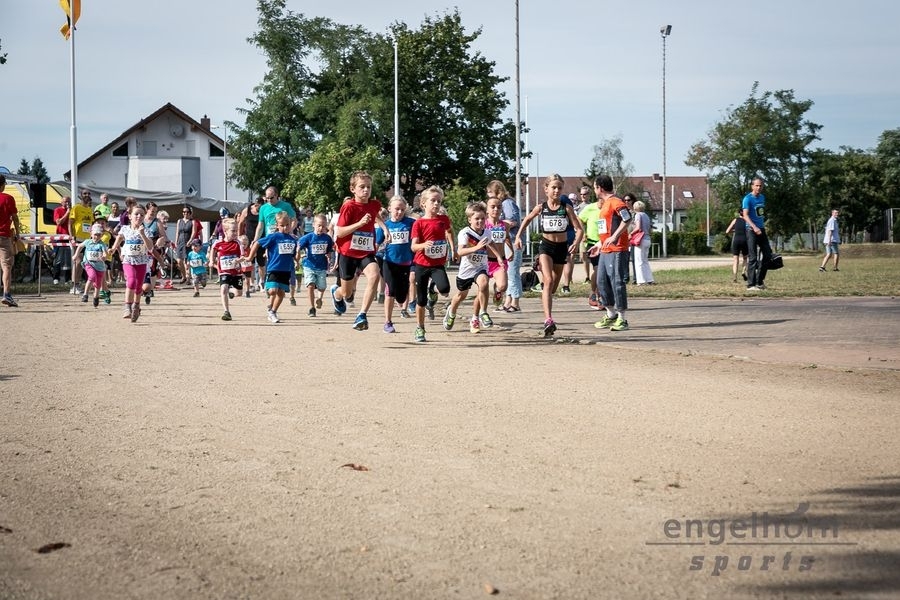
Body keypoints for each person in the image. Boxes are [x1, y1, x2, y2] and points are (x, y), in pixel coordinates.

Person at [514, 174, 584, 337]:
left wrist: (576, 242)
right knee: (549, 280)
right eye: (553, 187)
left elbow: (579, 229)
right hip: (546, 247)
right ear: (546, 189)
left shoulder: (566, 208)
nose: (556, 190)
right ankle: (548, 320)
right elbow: (527, 219)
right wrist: (518, 236)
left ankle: (546, 297)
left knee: (552, 288)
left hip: (561, 249)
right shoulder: (541, 207)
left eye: (559, 188)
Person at [329, 171, 386, 332]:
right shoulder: (348, 206)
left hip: (366, 252)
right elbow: (339, 232)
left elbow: (376, 216)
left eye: (368, 187)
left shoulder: (374, 204)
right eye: (362, 187)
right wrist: (359, 224)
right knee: (347, 293)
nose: (366, 190)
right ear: (353, 189)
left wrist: (384, 228)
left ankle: (362, 315)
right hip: (347, 253)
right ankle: (337, 294)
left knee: (375, 275)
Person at [410, 185, 454, 343]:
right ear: (423, 203)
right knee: (420, 301)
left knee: (445, 289)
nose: (436, 204)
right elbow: (413, 246)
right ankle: (420, 328)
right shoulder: (419, 224)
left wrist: (452, 248)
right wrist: (423, 245)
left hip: (437, 264)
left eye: (439, 201)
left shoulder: (443, 220)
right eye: (433, 201)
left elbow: (449, 231)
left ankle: (432, 291)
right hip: (421, 264)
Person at [443, 202, 495, 334]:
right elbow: (460, 252)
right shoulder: (465, 233)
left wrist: (499, 257)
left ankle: (481, 314)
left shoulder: (487, 233)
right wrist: (477, 248)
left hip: (481, 267)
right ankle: (451, 312)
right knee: (461, 295)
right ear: (469, 219)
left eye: (483, 218)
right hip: (467, 269)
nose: (480, 221)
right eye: (477, 218)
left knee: (483, 284)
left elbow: (491, 244)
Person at [589, 175, 632, 332]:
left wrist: (615, 237)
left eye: (594, 187)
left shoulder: (616, 202)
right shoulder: (604, 205)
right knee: (601, 282)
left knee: (617, 282)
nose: (594, 190)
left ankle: (622, 318)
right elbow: (606, 229)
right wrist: (599, 244)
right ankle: (611, 314)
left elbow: (627, 218)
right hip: (605, 250)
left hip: (617, 249)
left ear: (600, 188)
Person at [246, 211, 298, 324]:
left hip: (286, 270)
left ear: (290, 224)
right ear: (277, 225)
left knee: (281, 293)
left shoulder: (293, 239)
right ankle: (268, 289)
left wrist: (297, 260)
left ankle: (273, 312)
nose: (285, 227)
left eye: (287, 225)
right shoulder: (273, 237)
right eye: (282, 225)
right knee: (273, 291)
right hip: (274, 268)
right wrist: (250, 257)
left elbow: (293, 254)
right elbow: (257, 243)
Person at [110, 204, 154, 323]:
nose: (139, 216)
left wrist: (142, 234)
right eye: (136, 214)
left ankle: (136, 306)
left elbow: (150, 247)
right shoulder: (125, 229)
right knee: (131, 281)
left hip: (142, 262)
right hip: (128, 261)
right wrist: (113, 249)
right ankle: (127, 307)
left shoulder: (147, 230)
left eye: (141, 215)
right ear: (130, 216)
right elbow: (119, 239)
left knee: (139, 286)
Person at [380, 196, 415, 333]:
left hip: (406, 264)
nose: (399, 212)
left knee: (401, 295)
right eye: (396, 209)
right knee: (390, 291)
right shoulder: (386, 225)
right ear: (389, 209)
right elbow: (377, 242)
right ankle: (388, 322)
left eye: (402, 209)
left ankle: (402, 304)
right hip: (389, 262)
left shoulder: (410, 223)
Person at [487, 180, 522, 313]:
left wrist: (500, 224)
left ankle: (515, 302)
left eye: (490, 192)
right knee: (507, 274)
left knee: (513, 272)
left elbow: (514, 221)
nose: (489, 195)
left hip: (512, 240)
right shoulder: (498, 205)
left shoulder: (507, 203)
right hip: (502, 242)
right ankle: (507, 301)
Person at [296, 214, 334, 318]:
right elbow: (299, 245)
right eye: (319, 226)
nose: (321, 228)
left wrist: (329, 255)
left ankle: (319, 299)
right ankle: (312, 308)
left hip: (321, 267)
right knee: (310, 285)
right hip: (309, 265)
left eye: (323, 226)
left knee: (322, 287)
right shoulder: (308, 237)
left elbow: (329, 250)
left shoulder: (327, 238)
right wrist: (298, 254)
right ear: (314, 225)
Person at [742, 177, 774, 291]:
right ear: (752, 186)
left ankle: (759, 282)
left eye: (760, 186)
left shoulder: (762, 197)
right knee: (753, 257)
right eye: (756, 185)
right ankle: (751, 285)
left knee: (767, 255)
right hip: (751, 230)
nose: (759, 188)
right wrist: (754, 227)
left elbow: (760, 214)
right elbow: (745, 215)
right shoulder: (747, 199)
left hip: (761, 229)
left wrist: (761, 226)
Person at [208, 218, 243, 321]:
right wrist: (211, 261)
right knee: (223, 288)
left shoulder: (238, 243)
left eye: (236, 230)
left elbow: (242, 255)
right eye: (233, 231)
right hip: (224, 271)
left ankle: (231, 291)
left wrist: (238, 261)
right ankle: (226, 312)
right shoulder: (218, 243)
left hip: (236, 272)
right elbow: (213, 251)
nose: (235, 233)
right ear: (225, 231)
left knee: (239, 293)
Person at [484, 196, 513, 311]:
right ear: (487, 210)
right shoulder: (484, 224)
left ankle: (497, 290)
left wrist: (511, 251)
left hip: (500, 260)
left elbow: (507, 238)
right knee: (483, 287)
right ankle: (482, 312)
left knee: (503, 286)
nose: (496, 209)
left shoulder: (505, 225)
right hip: (485, 261)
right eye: (493, 207)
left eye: (499, 207)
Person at [72, 224, 110, 307]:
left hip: (100, 267)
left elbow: (105, 253)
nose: (97, 237)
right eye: (95, 235)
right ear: (91, 234)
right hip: (89, 264)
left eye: (99, 235)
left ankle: (96, 297)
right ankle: (85, 295)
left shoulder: (101, 244)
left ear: (102, 235)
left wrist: (104, 256)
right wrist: (76, 255)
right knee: (92, 276)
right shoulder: (87, 242)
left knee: (98, 284)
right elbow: (80, 247)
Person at [577, 192, 602, 309]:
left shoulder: (609, 208)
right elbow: (579, 219)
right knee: (597, 269)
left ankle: (602, 295)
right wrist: (583, 232)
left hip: (606, 243)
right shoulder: (590, 208)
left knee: (606, 272)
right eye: (601, 201)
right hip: (592, 243)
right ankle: (593, 293)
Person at [0, 174, 22, 307]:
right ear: (3, 184)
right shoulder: (8, 198)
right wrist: (18, 233)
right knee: (6, 266)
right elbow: (15, 218)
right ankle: (7, 294)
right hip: (4, 236)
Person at [69, 190, 95, 294]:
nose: (87, 195)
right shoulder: (76, 208)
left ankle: (78, 283)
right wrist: (71, 236)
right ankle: (74, 285)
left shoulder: (89, 209)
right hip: (78, 237)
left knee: (84, 262)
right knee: (78, 261)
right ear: (81, 196)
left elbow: (91, 223)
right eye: (85, 194)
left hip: (88, 239)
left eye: (89, 193)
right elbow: (70, 223)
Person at [630, 200, 655, 285]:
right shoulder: (646, 216)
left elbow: (638, 228)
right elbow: (650, 229)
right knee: (645, 260)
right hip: (647, 239)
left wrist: (631, 234)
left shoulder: (638, 215)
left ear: (635, 208)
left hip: (640, 240)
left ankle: (641, 281)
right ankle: (649, 279)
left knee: (638, 261)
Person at [174, 206, 198, 284]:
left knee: (187, 261)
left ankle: (188, 278)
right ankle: (183, 276)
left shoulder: (193, 221)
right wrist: (176, 241)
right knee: (179, 260)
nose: (185, 213)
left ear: (190, 213)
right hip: (180, 241)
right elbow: (177, 232)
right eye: (184, 212)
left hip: (188, 241)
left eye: (187, 212)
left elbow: (194, 232)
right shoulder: (179, 221)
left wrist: (190, 241)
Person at [724, 209, 749, 283]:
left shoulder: (735, 220)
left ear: (739, 214)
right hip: (744, 240)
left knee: (735, 259)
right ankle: (743, 272)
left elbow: (727, 231)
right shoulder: (747, 220)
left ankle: (735, 276)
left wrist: (734, 231)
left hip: (736, 240)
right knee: (745, 258)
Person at [576, 186, 593, 283]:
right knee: (583, 256)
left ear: (589, 195)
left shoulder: (593, 206)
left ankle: (596, 275)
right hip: (583, 235)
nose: (583, 196)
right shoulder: (579, 207)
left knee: (594, 256)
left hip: (593, 234)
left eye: (585, 194)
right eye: (581, 194)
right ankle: (587, 277)